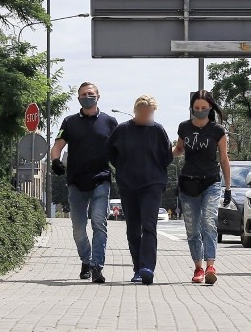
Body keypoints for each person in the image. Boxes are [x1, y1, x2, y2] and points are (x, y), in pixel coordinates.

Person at [51, 82, 118, 283]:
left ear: (98, 96)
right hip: (76, 182)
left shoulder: (109, 122)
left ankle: (97, 266)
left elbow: (120, 149)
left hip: (101, 180)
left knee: (99, 222)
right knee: (79, 229)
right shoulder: (69, 122)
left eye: (90, 93)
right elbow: (58, 146)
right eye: (83, 94)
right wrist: (55, 161)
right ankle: (86, 260)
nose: (86, 96)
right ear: (78, 98)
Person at [107, 95, 173, 285]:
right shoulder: (123, 130)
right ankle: (137, 267)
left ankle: (147, 268)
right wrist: (123, 168)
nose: (147, 116)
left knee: (149, 226)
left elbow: (166, 156)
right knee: (133, 228)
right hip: (128, 185)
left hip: (153, 184)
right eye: (143, 113)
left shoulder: (158, 130)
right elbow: (111, 153)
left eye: (150, 113)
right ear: (135, 111)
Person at [173, 90, 232, 285]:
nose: (200, 111)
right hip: (188, 182)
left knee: (208, 222)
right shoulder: (184, 127)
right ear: (191, 108)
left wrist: (228, 187)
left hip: (211, 182)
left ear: (210, 109)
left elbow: (224, 159)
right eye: (196, 108)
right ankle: (198, 267)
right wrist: (163, 153)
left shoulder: (218, 131)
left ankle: (211, 266)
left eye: (204, 108)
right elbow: (180, 149)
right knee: (192, 228)